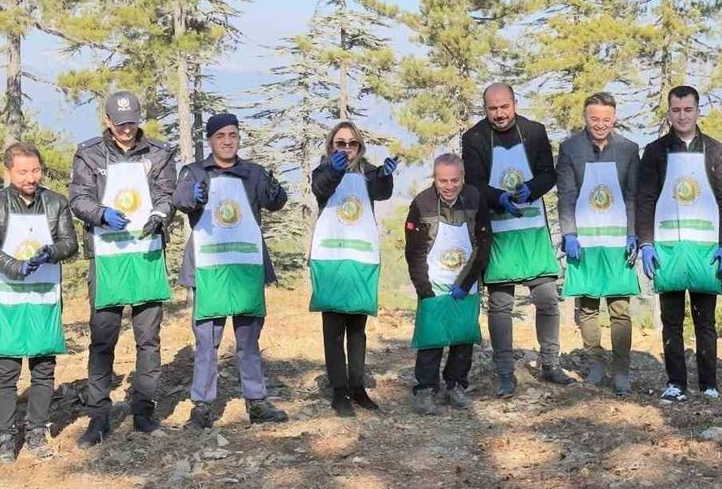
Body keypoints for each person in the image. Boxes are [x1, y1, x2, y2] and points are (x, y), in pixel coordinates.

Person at [68, 91, 177, 447]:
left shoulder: (159, 152)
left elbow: (167, 194)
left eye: (131, 122)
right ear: (107, 120)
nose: (126, 129)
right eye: (120, 123)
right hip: (107, 257)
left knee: (148, 339)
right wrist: (100, 214)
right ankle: (98, 417)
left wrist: (160, 215)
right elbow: (78, 198)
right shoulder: (89, 153)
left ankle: (143, 411)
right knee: (103, 339)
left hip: (146, 253)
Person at [174, 113, 289, 429]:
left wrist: (275, 189)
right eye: (220, 136)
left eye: (233, 135)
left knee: (249, 340)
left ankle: (257, 401)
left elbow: (275, 202)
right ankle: (202, 406)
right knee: (207, 342)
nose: (227, 141)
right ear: (210, 140)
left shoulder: (253, 173)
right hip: (209, 269)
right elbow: (180, 199)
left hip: (246, 267)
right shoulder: (195, 172)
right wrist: (194, 196)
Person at [461, 82, 572, 399]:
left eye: (504, 107)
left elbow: (548, 174)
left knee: (547, 299)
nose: (499, 114)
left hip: (533, 227)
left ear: (514, 104)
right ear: (485, 109)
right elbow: (474, 183)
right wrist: (498, 198)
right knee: (500, 305)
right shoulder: (474, 138)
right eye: (492, 108)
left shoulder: (534, 131)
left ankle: (550, 363)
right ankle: (505, 374)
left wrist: (531, 189)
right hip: (497, 230)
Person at [0, 142, 79, 465]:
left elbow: (70, 243)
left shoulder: (55, 202)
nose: (31, 178)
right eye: (22, 172)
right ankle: (6, 437)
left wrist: (52, 251)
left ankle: (37, 430)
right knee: (6, 370)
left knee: (43, 367)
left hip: (44, 296)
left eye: (35, 170)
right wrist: (15, 266)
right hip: (8, 297)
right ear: (7, 172)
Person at [635, 86, 722, 404]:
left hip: (706, 247)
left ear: (697, 111)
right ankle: (675, 382)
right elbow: (645, 198)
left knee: (705, 320)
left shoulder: (717, 151)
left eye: (688, 110)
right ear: (669, 113)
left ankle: (708, 384)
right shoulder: (655, 152)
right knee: (672, 320)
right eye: (676, 110)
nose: (682, 116)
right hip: (667, 246)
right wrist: (646, 243)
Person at [308, 121, 396, 417]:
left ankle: (358, 387)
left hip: (361, 256)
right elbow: (321, 188)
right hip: (331, 256)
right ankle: (339, 391)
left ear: (360, 146)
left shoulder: (369, 172)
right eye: (340, 143)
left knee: (357, 328)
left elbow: (382, 193)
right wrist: (335, 170)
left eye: (352, 143)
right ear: (331, 146)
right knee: (333, 327)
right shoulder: (322, 170)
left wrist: (385, 176)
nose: (346, 149)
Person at [555, 92, 641, 394]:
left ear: (614, 118)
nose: (600, 124)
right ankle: (595, 363)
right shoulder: (570, 149)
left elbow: (633, 195)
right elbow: (566, 195)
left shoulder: (629, 149)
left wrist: (633, 233)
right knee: (588, 306)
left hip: (618, 239)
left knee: (620, 308)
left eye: (606, 119)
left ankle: (621, 371)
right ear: (585, 117)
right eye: (594, 119)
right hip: (585, 239)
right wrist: (569, 234)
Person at [404, 154, 491, 414]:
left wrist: (466, 282)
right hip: (434, 282)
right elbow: (414, 253)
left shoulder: (475, 198)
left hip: (465, 282)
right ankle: (425, 390)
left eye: (455, 180)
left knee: (463, 337)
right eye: (443, 181)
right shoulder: (422, 203)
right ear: (435, 178)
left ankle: (456, 386)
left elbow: (484, 243)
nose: (449, 186)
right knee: (431, 339)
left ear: (463, 177)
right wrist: (424, 290)